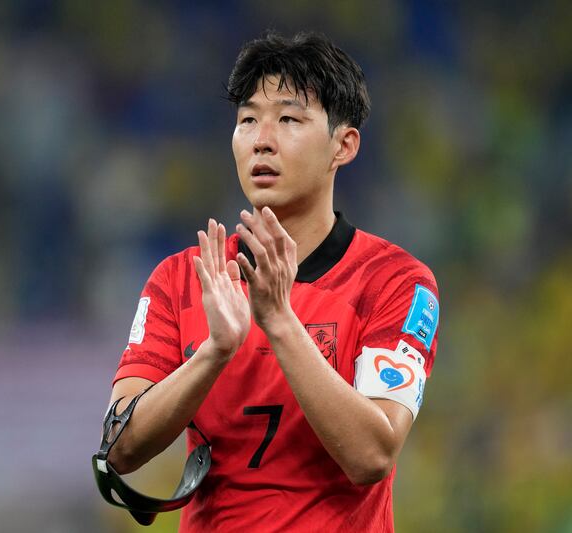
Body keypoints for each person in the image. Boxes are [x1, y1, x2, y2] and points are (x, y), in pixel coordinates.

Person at [104, 30, 440, 532]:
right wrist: (214, 352)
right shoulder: (181, 279)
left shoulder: (394, 283)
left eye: (288, 119)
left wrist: (279, 320)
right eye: (247, 120)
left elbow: (372, 456)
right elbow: (120, 450)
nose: (262, 138)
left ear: (343, 145)